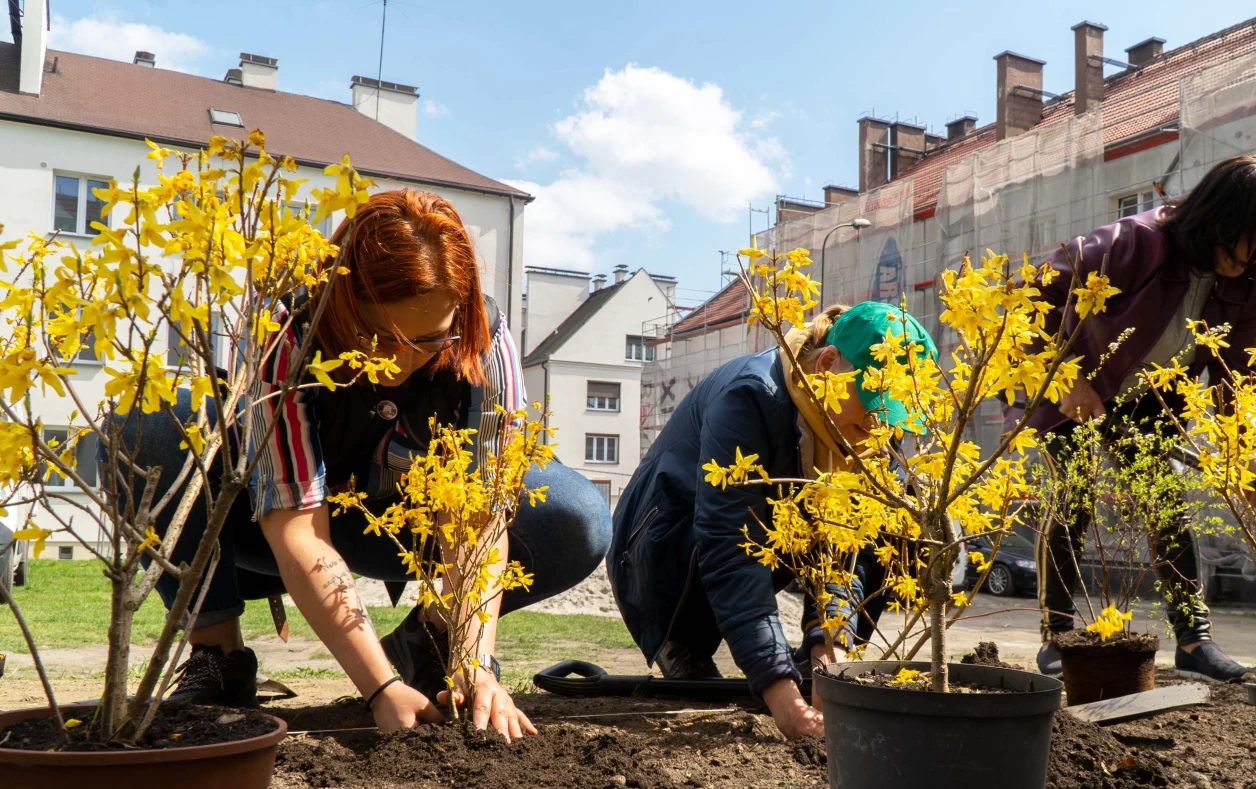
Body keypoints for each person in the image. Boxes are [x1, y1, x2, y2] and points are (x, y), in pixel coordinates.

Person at [109, 189, 612, 736]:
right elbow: (298, 529)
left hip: (406, 532)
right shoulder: (287, 331)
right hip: (266, 532)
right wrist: (380, 687)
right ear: (343, 305)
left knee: (575, 512)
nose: (400, 362)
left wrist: (476, 660)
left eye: (427, 340)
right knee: (152, 421)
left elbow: (478, 521)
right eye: (378, 338)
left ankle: (432, 641)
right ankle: (219, 658)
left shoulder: (482, 339)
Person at [1030, 154, 1256, 682]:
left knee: (1167, 506)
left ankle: (1194, 642)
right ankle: (1057, 634)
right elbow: (1027, 297)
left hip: (1150, 399)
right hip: (1074, 383)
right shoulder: (1132, 244)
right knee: (1073, 496)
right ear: (1221, 219)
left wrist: (1247, 450)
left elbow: (1240, 374)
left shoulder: (1251, 278)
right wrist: (1064, 377)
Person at [607, 300, 937, 740]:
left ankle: (812, 667)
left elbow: (846, 551)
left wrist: (830, 648)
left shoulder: (872, 436)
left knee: (894, 515)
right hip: (665, 549)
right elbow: (730, 545)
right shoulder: (751, 397)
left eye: (893, 418)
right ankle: (681, 639)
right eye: (875, 408)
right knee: (751, 657)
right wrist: (781, 694)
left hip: (759, 536)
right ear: (827, 366)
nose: (883, 430)